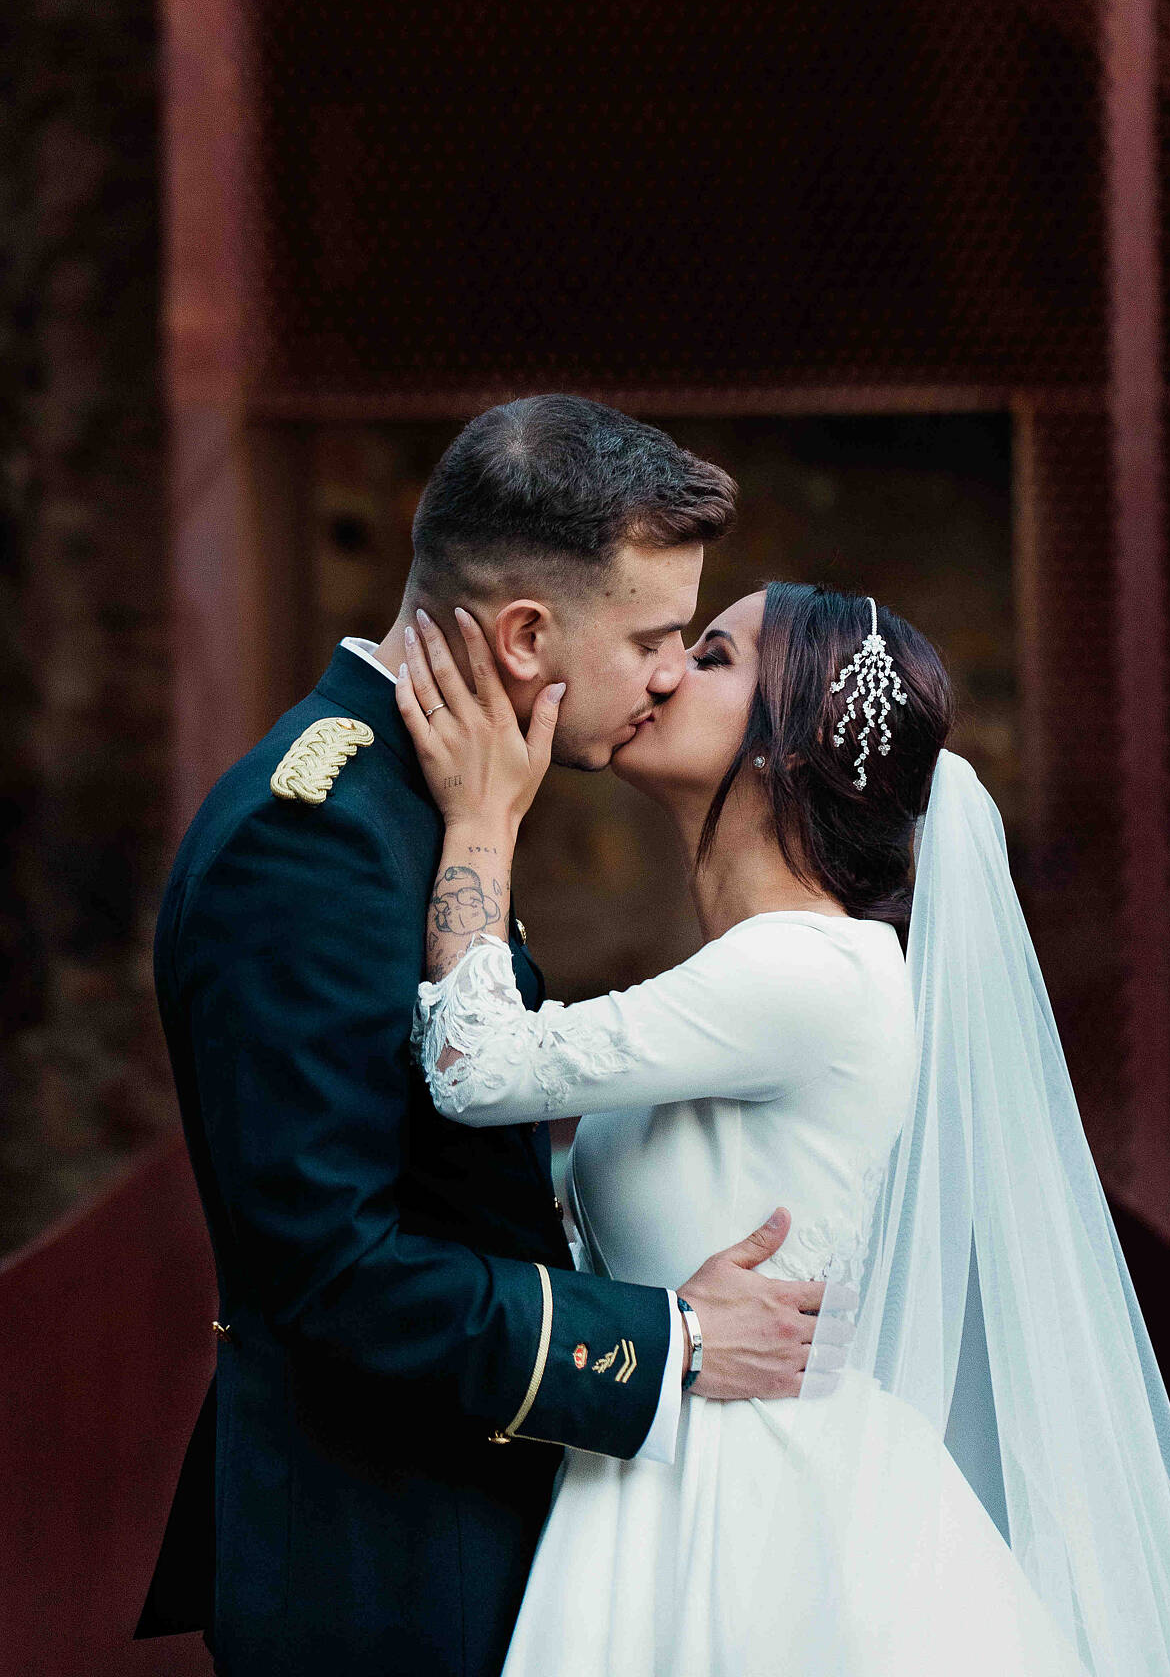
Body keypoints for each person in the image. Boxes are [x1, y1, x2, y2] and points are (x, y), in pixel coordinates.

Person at [396, 580, 1170, 1677]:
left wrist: (481, 819)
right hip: (672, 1462)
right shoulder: (765, 969)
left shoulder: (806, 971)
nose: (663, 669)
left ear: (785, 749)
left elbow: (474, 1065)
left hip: (748, 1514)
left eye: (712, 656)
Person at [137, 398, 836, 1677]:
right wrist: (670, 1341)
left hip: (457, 1522)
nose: (668, 674)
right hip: (384, 1564)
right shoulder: (316, 837)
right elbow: (330, 1266)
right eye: (650, 638)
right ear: (523, 635)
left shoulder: (430, 802)